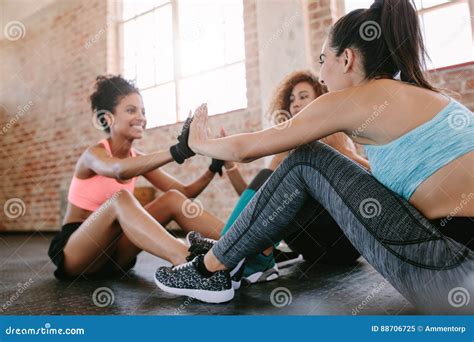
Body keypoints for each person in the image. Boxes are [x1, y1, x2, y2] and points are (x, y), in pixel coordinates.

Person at [154, 0, 474, 312]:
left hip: (451, 272)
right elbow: (388, 188)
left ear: (346, 58)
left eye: (323, 59)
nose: (321, 75)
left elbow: (247, 149)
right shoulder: (429, 97)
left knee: (308, 157)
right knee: (315, 164)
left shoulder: (355, 99)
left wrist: (198, 143)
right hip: (459, 274)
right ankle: (240, 255)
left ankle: (208, 272)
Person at [48, 75, 226, 280]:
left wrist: (213, 167)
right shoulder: (93, 155)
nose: (141, 117)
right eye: (131, 110)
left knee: (174, 199)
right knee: (120, 199)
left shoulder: (137, 159)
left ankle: (244, 251)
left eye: (143, 111)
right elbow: (118, 169)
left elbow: (186, 193)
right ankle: (191, 263)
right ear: (107, 118)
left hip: (115, 254)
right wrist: (177, 151)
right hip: (79, 253)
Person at [219, 70, 368, 283]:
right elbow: (257, 201)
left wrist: (344, 154)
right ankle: (227, 252)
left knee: (302, 171)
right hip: (306, 249)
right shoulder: (287, 148)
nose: (296, 103)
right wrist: (231, 166)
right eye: (292, 99)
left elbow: (366, 182)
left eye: (304, 96)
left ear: (320, 99)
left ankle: (224, 256)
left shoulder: (334, 132)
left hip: (343, 244)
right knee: (273, 178)